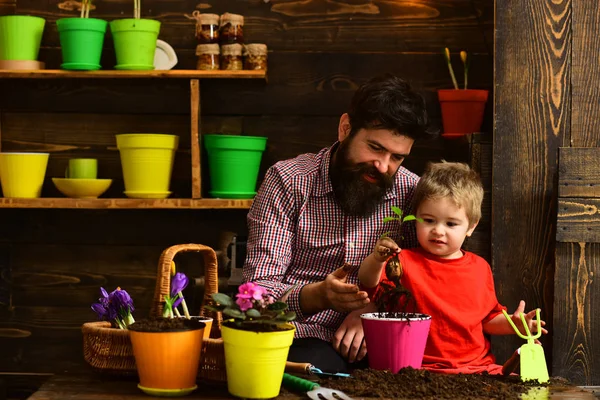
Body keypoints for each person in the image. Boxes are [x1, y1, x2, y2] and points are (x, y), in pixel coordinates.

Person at [242, 73, 435, 372]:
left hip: (384, 337)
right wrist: (317, 296)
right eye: (374, 148)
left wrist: (373, 310)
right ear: (345, 128)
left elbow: (426, 277)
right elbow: (255, 293)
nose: (383, 166)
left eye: (397, 157)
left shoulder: (411, 192)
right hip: (299, 336)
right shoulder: (288, 181)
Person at [358, 161, 548, 374]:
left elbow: (487, 319)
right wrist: (376, 260)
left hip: (477, 368)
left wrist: (515, 324)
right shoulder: (403, 261)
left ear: (471, 226)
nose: (438, 231)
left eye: (451, 224)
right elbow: (367, 282)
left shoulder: (479, 268)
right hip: (416, 368)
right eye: (429, 220)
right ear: (415, 219)